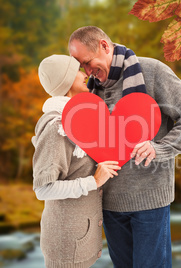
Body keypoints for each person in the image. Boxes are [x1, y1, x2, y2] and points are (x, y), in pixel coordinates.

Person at [68, 26, 181, 267]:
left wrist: (161, 148)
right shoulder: (90, 91)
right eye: (82, 66)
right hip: (109, 203)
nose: (88, 71)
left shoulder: (151, 71)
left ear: (104, 45)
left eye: (89, 62)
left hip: (150, 201)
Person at [32, 54, 121, 268]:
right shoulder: (56, 126)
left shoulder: (79, 119)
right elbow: (43, 189)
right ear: (65, 80)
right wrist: (94, 182)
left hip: (81, 239)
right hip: (65, 245)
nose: (85, 74)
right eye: (77, 70)